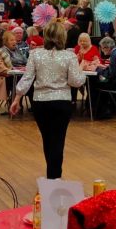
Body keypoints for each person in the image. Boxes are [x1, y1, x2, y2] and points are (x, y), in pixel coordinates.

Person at [12, 22, 86, 179]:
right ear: (62, 37)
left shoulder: (35, 54)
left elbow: (27, 78)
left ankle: (52, 176)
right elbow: (76, 81)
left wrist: (17, 98)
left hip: (40, 103)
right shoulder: (69, 56)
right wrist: (82, 70)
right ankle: (54, 177)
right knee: (58, 141)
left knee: (48, 140)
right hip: (62, 103)